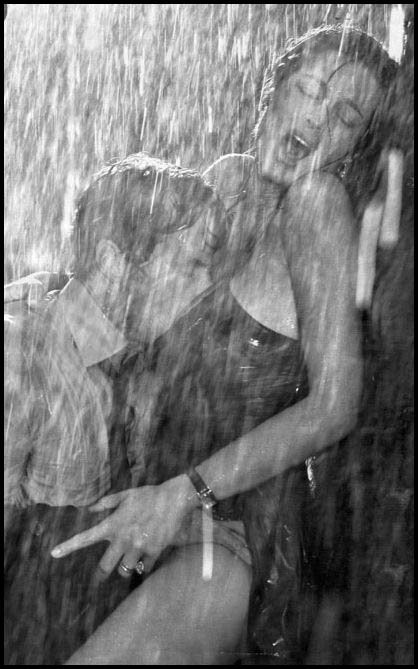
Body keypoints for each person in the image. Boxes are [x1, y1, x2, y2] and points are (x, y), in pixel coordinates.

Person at [46, 26, 398, 665]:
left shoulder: (316, 204)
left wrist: (186, 493)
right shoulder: (230, 184)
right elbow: (134, 295)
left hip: (239, 534)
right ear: (272, 92)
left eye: (345, 117)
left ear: (353, 149)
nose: (316, 118)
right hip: (162, 509)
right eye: (308, 89)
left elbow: (336, 406)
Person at [4, 154, 232, 665]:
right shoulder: (18, 357)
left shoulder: (152, 367)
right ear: (112, 263)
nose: (206, 287)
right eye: (192, 265)